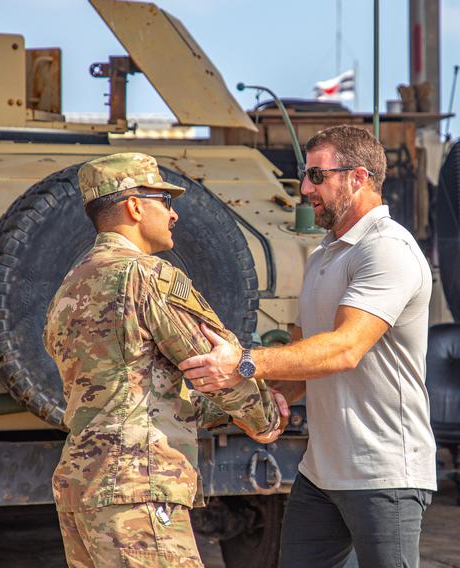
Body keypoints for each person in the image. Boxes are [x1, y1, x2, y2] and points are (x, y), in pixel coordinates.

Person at [179, 125, 436, 568]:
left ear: (358, 177)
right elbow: (306, 344)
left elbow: (342, 349)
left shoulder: (386, 250)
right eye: (305, 175)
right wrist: (276, 396)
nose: (304, 188)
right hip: (320, 471)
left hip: (383, 472)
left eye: (317, 176)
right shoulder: (323, 254)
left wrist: (242, 362)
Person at [43, 152, 286, 568]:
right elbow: (213, 360)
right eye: (165, 201)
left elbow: (134, 388)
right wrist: (265, 419)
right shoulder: (150, 276)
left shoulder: (71, 284)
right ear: (134, 206)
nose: (173, 215)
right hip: (139, 487)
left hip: (80, 488)